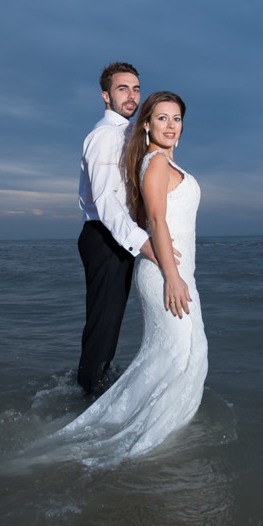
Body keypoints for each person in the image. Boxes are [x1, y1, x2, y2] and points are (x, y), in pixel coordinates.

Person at [50, 91, 207, 463]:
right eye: (163, 118)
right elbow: (154, 221)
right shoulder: (154, 164)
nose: (171, 125)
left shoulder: (165, 164)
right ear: (147, 125)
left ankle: (152, 430)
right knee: (179, 357)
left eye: (177, 118)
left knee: (180, 356)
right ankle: (147, 444)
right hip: (168, 276)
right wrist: (172, 276)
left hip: (178, 272)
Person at [76, 62, 157, 393]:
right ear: (105, 96)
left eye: (136, 89)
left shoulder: (128, 133)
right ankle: (86, 398)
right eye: (123, 88)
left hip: (116, 236)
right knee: (103, 326)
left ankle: (91, 387)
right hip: (106, 237)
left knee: (108, 325)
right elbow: (108, 202)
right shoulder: (105, 136)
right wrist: (145, 244)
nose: (131, 95)